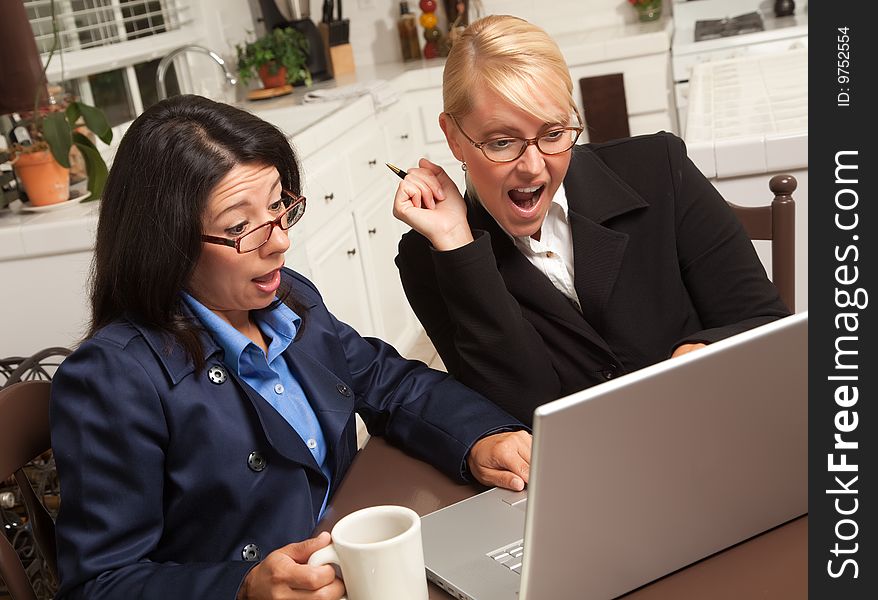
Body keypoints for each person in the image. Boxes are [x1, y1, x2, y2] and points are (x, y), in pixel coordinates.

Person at [50, 94, 532, 600]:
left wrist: (483, 436)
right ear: (165, 244)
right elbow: (97, 586)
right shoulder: (112, 378)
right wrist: (242, 589)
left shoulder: (289, 298)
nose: (278, 240)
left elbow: (388, 381)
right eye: (239, 227)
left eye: (279, 205)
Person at [392, 15, 790, 426]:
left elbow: (766, 325)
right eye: (502, 142)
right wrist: (460, 244)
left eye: (552, 133)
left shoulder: (659, 168)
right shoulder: (432, 259)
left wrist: (703, 351)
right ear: (454, 137)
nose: (533, 167)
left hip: (714, 427)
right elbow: (517, 415)